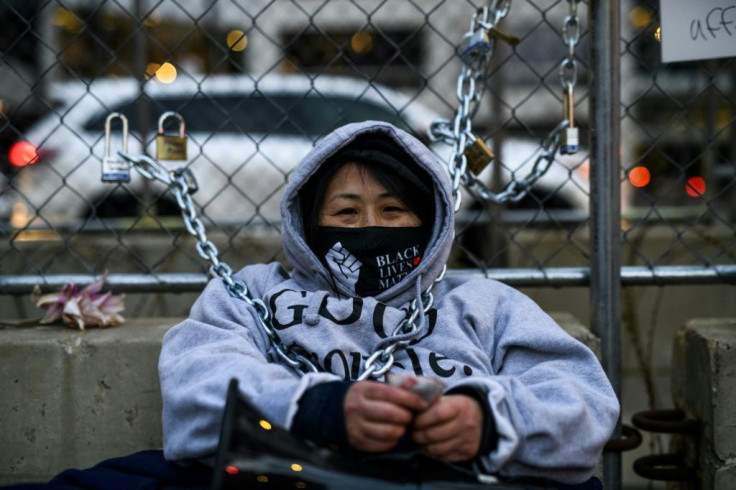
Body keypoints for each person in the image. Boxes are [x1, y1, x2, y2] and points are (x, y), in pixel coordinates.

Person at [157, 120, 619, 487]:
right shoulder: (254, 292)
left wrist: (486, 422)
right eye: (346, 213)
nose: (368, 227)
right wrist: (319, 409)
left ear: (428, 220)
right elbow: (195, 383)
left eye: (393, 211)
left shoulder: (484, 304)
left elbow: (583, 399)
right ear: (310, 225)